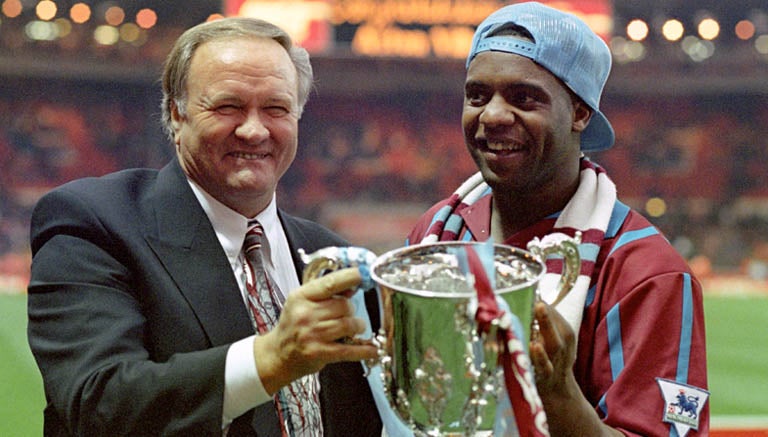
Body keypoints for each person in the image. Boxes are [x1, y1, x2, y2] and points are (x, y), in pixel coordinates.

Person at [26, 17, 382, 436]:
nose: (254, 130)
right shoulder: (93, 222)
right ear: (176, 115)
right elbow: (98, 403)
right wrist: (271, 358)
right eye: (228, 106)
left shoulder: (331, 256)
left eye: (276, 108)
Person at [401, 2, 709, 436]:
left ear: (581, 113)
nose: (492, 115)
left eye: (524, 98)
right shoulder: (437, 232)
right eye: (477, 96)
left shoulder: (646, 273)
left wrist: (558, 393)